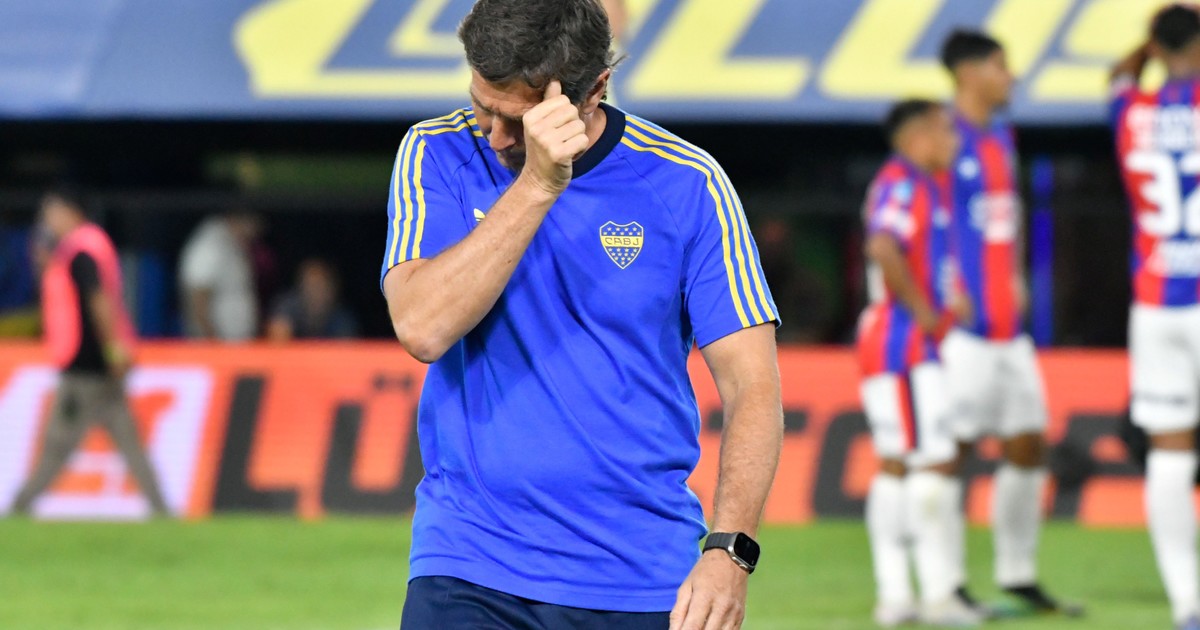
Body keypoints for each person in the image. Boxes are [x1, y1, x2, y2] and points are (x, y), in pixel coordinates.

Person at [380, 1, 783, 628]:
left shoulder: (688, 182)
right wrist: (537, 185)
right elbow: (422, 327)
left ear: (594, 90)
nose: (493, 136)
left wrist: (730, 551)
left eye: (516, 120)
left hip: (644, 575)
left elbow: (752, 386)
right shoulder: (439, 152)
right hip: (470, 562)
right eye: (482, 106)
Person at [937, 29, 1080, 617]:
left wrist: (1016, 275)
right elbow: (920, 218)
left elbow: (1001, 218)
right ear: (969, 72)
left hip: (1007, 327)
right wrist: (945, 285)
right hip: (961, 330)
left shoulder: (1001, 134)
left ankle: (1017, 574)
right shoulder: (940, 135)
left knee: (1028, 443)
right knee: (950, 452)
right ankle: (946, 585)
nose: (1011, 76)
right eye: (1001, 65)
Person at [857, 99, 978, 627]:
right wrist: (926, 311)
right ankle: (934, 596)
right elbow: (883, 246)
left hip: (899, 342)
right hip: (902, 342)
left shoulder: (924, 183)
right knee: (929, 460)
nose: (955, 140)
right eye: (945, 130)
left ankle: (896, 596)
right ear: (918, 135)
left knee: (899, 462)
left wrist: (949, 298)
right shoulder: (903, 183)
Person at [1112, 6, 1200, 629]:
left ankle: (1187, 603)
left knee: (1170, 452)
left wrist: (1153, 48)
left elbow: (1119, 77)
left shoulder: (1131, 111)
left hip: (1155, 303)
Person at [10, 188, 169, 517]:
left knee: (57, 443)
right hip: (98, 368)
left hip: (84, 367)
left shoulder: (81, 251)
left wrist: (113, 350)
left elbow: (99, 302)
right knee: (129, 442)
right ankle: (162, 511)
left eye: (51, 212)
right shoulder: (78, 248)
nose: (46, 220)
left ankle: (19, 508)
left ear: (71, 212)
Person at [178, 210, 261, 341]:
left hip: (235, 344)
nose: (255, 232)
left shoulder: (233, 243)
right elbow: (198, 298)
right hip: (213, 345)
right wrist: (212, 341)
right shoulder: (210, 245)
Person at [266, 258, 358, 341]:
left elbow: (346, 348)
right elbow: (277, 342)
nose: (315, 291)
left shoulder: (342, 319)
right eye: (310, 285)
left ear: (332, 290)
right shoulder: (287, 306)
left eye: (321, 286)